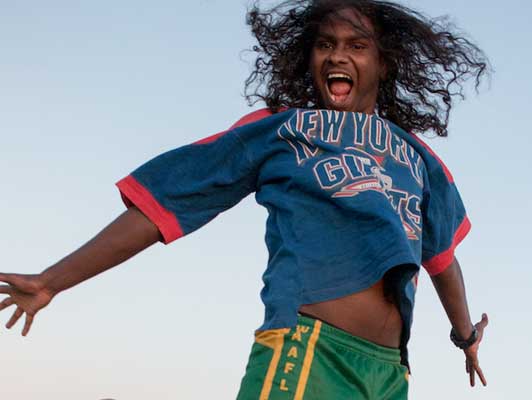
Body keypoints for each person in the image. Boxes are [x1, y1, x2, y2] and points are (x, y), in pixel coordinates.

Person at [0, 0, 490, 398]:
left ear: (383, 62)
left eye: (357, 46)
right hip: (310, 352)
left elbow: (442, 259)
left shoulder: (418, 158)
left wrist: (465, 336)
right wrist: (51, 281)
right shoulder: (282, 129)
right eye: (325, 44)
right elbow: (165, 205)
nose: (338, 56)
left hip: (390, 373)